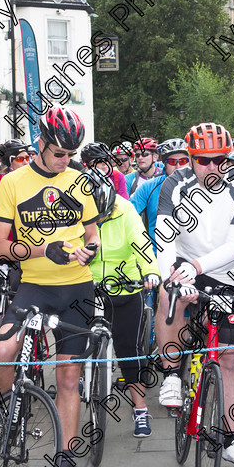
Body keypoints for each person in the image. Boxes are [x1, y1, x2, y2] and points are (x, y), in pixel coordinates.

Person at [0, 105, 102, 467]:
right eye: (59, 154)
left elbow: (92, 233)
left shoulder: (79, 180)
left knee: (69, 377)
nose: (65, 161)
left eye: (70, 154)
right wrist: (41, 251)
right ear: (41, 143)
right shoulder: (12, 183)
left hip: (77, 289)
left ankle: (65, 462)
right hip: (34, 285)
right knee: (2, 350)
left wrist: (91, 249)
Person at [155, 122, 234, 467]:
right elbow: (165, 238)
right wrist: (174, 273)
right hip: (185, 262)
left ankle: (232, 441)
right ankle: (171, 374)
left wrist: (198, 267)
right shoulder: (175, 183)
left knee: (230, 361)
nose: (213, 168)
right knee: (169, 294)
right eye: (204, 161)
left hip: (224, 271)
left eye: (221, 160)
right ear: (190, 159)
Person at [86, 170, 160, 437]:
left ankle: (140, 409)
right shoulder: (75, 209)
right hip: (88, 286)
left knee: (128, 350)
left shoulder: (125, 209)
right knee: (72, 345)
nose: (100, 221)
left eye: (104, 214)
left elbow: (141, 241)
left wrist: (150, 270)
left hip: (125, 286)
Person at [130, 138, 189, 246]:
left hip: (192, 257)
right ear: (164, 163)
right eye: (172, 162)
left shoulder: (200, 187)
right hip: (157, 255)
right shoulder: (148, 187)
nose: (178, 166)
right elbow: (127, 216)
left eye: (183, 161)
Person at [0, 138, 33, 210]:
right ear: (9, 163)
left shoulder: (35, 179)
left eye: (27, 158)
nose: (26, 162)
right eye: (20, 159)